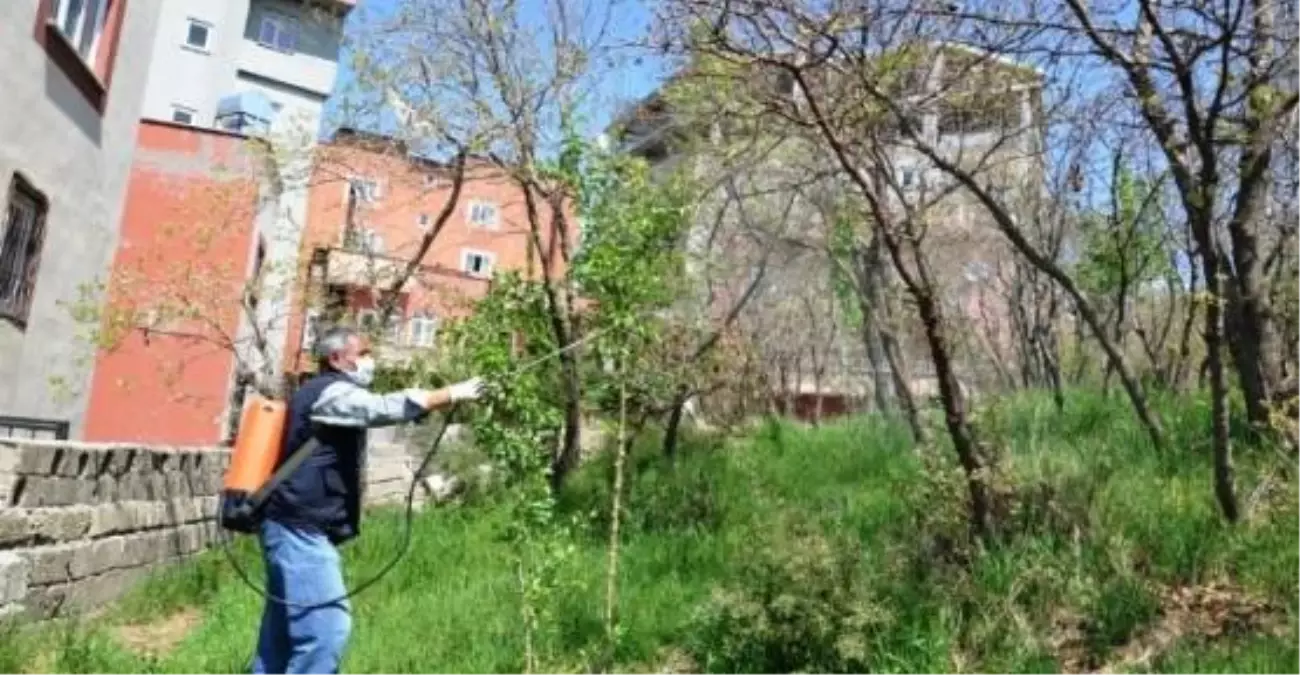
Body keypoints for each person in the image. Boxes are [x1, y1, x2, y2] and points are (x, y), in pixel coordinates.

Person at [252, 325, 485, 674]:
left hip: (288, 524)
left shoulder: (318, 391)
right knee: (327, 630)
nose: (369, 361)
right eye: (361, 354)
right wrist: (452, 393)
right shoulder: (331, 392)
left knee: (281, 639)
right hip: (300, 528)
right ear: (335, 358)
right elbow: (380, 408)